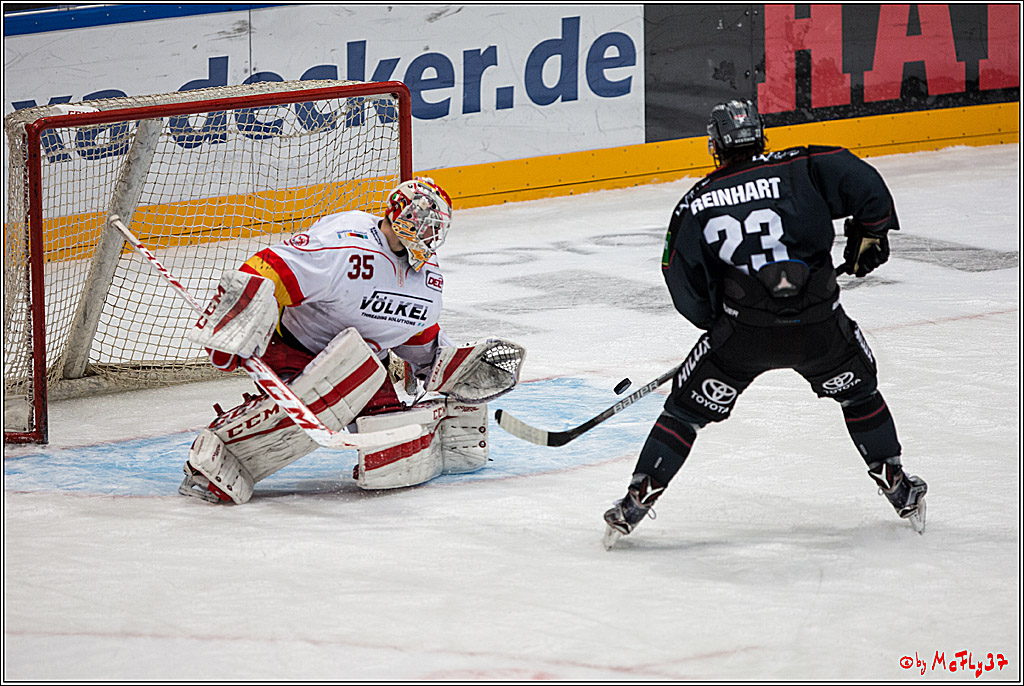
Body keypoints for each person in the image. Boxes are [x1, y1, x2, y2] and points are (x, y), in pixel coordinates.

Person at [602, 99, 927, 548]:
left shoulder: (694, 203)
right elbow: (863, 180)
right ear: (761, 134)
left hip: (742, 337)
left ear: (715, 145)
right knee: (859, 394)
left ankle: (639, 496)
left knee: (684, 412)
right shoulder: (806, 165)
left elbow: (680, 279)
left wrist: (714, 323)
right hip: (820, 329)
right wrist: (872, 231)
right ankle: (896, 483)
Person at [179, 177, 525, 504]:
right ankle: (222, 449)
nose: (427, 232)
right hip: (290, 347)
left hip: (361, 367)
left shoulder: (428, 280)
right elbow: (269, 268)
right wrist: (239, 321)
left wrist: (446, 366)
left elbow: (415, 334)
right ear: (398, 211)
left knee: (397, 443)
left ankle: (444, 450)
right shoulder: (345, 246)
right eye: (421, 220)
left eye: (435, 227)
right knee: (346, 376)